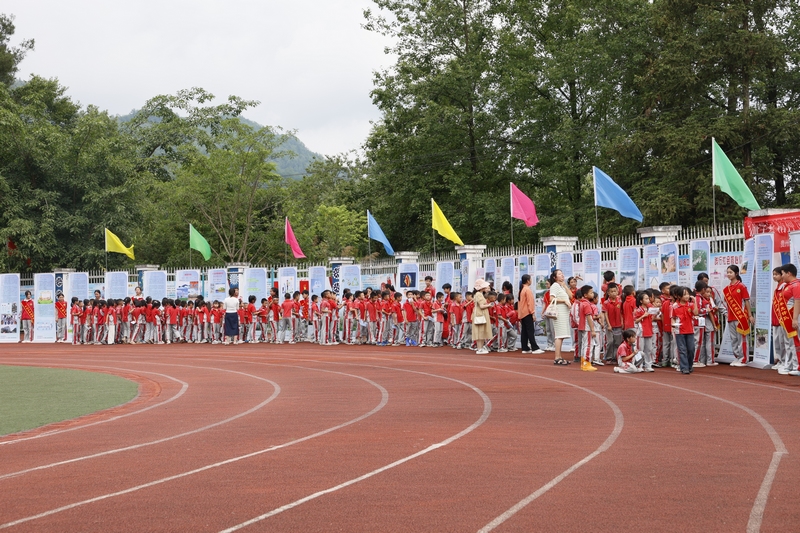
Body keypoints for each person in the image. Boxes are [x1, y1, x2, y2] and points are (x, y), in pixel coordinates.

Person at [723, 265, 753, 367]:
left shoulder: (741, 286)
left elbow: (746, 301)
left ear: (736, 273)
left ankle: (744, 359)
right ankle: (737, 357)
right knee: (734, 339)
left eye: (731, 272)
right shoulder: (726, 289)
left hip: (740, 316)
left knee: (742, 338)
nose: (728, 274)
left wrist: (749, 315)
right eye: (727, 272)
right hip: (731, 317)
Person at [673, 286, 699, 374]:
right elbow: (672, 317)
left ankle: (689, 365)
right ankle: (684, 367)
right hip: (679, 330)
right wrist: (673, 326)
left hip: (690, 330)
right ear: (679, 296)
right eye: (684, 294)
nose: (687, 296)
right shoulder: (675, 306)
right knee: (682, 349)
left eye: (687, 294)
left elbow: (695, 313)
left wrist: (695, 302)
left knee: (691, 349)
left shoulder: (690, 304)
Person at [548, 270, 572, 365]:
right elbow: (551, 299)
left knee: (562, 336)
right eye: (559, 274)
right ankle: (557, 358)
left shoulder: (561, 286)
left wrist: (565, 285)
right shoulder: (554, 286)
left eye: (562, 273)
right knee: (559, 335)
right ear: (555, 277)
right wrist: (564, 301)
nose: (562, 274)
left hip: (564, 313)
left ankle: (560, 356)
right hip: (559, 313)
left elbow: (570, 295)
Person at [780, 264, 800, 376]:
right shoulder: (788, 285)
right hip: (788, 318)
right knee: (791, 343)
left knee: (796, 342)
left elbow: (797, 301)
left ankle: (798, 366)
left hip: (794, 317)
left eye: (782, 273)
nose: (782, 276)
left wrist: (795, 319)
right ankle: (793, 365)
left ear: (789, 273)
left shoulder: (796, 285)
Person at [517, 274, 544, 354]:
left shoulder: (522, 289)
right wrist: (532, 313)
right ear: (528, 281)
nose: (531, 281)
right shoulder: (527, 289)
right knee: (530, 330)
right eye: (531, 279)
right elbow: (530, 303)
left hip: (522, 313)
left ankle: (525, 347)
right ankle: (534, 348)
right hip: (527, 312)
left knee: (525, 331)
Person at [633, 290, 656, 372]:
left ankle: (648, 365)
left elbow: (651, 319)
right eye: (646, 299)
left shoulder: (650, 309)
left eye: (648, 298)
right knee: (640, 349)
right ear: (641, 301)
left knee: (649, 349)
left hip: (649, 330)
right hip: (641, 332)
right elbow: (635, 321)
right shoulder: (638, 310)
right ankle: (639, 365)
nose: (648, 300)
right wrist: (643, 316)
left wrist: (655, 313)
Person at [577, 285, 598, 371]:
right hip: (587, 327)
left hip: (582, 326)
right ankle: (586, 363)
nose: (593, 294)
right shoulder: (587, 304)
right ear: (585, 295)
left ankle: (583, 363)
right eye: (591, 292)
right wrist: (592, 330)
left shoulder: (581, 303)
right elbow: (589, 317)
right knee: (589, 345)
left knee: (584, 345)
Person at [602, 283, 623, 362]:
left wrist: (622, 322)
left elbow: (621, 313)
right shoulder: (606, 303)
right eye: (612, 291)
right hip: (610, 325)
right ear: (608, 293)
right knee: (610, 341)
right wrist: (608, 325)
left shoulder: (620, 301)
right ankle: (608, 356)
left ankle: (615, 357)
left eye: (615, 291)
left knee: (617, 342)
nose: (614, 293)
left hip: (618, 325)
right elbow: (606, 314)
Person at [472, 279, 493, 355]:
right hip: (480, 313)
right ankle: (479, 348)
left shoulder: (479, 294)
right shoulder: (479, 294)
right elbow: (481, 306)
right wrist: (489, 305)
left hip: (480, 313)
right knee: (480, 331)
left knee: (481, 331)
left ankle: (480, 348)